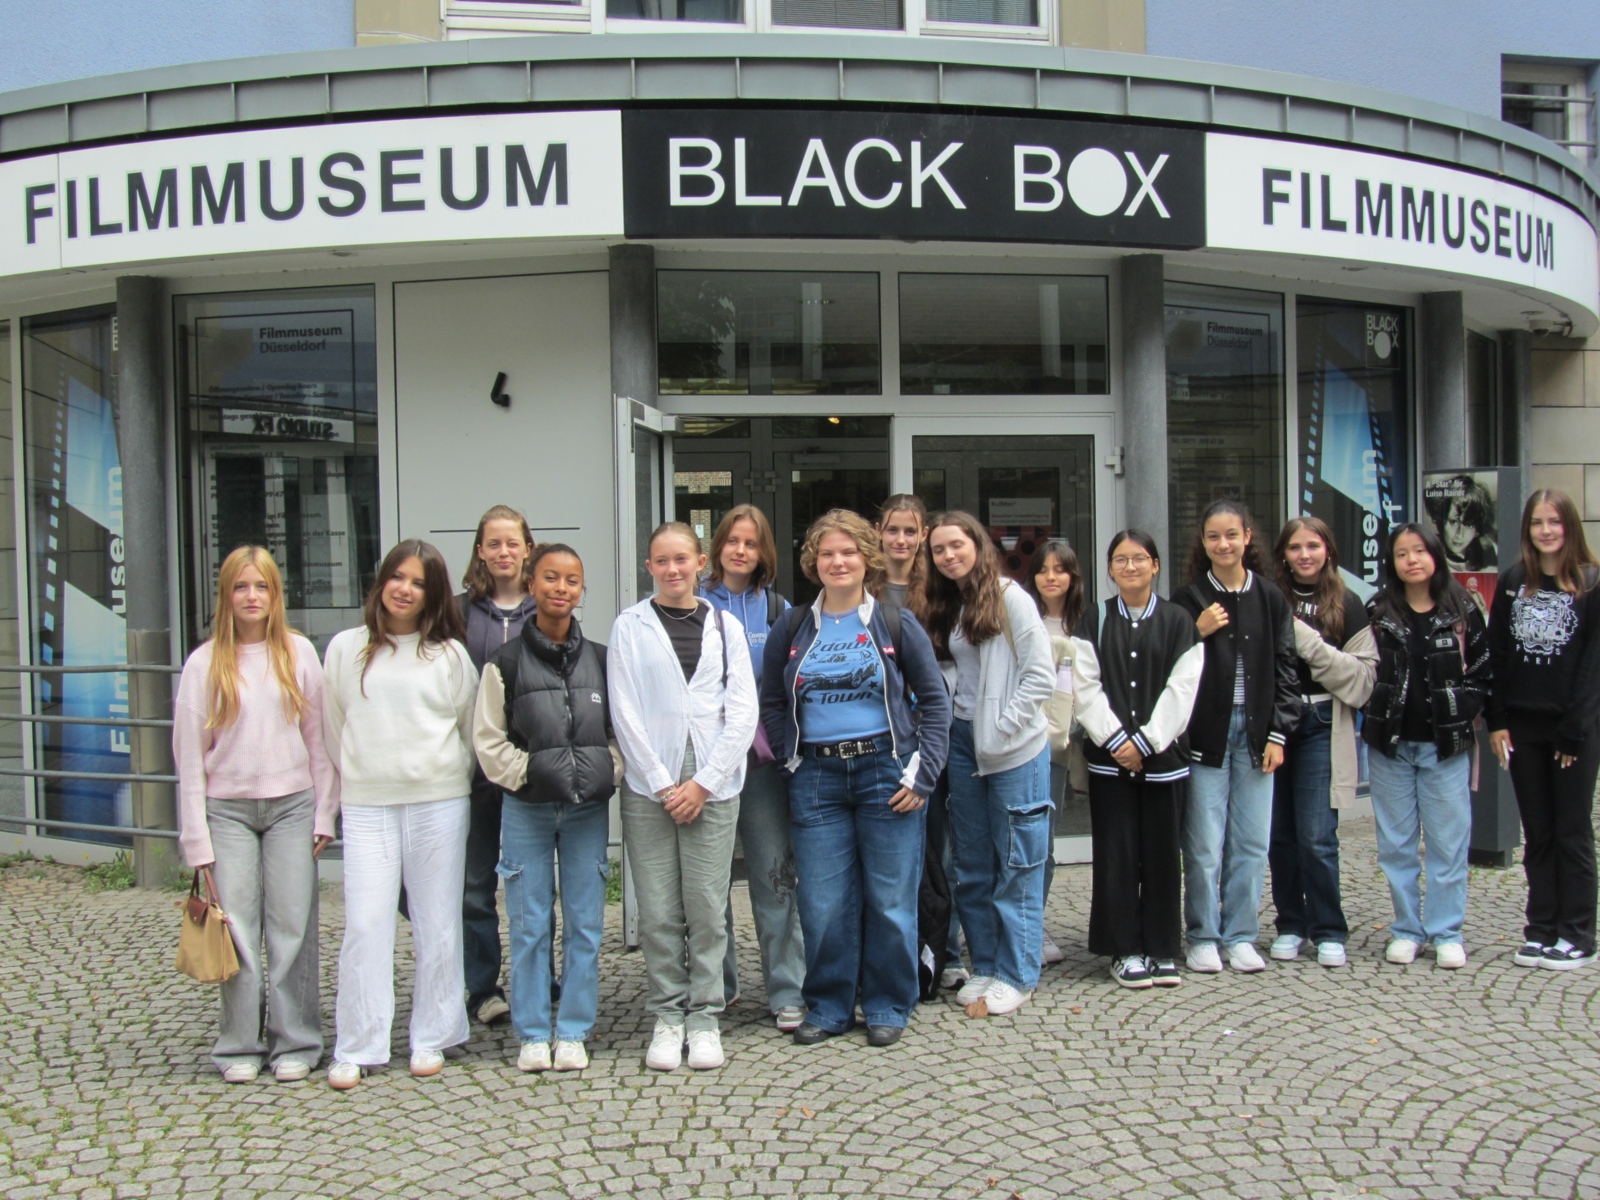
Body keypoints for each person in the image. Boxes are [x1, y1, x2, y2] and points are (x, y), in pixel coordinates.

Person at [760, 509, 950, 1047]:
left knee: (891, 898)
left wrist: (923, 773)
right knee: (822, 901)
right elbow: (772, 701)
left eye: (847, 552)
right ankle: (828, 1005)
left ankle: (889, 1001)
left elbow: (935, 701)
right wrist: (789, 759)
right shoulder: (793, 626)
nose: (837, 562)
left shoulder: (894, 622)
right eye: (827, 553)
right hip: (815, 775)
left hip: (885, 773)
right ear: (813, 562)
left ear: (866, 558)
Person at [173, 546, 338, 1084]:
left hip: (293, 806)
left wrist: (324, 813)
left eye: (261, 587)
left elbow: (320, 742)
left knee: (293, 925)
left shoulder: (297, 654)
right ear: (227, 595)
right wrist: (196, 840)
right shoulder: (203, 664)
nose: (251, 597)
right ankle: (238, 1043)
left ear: (275, 595)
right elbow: (189, 760)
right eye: (241, 587)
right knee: (237, 930)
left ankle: (297, 1040)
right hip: (228, 813)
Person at [322, 540, 478, 1089]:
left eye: (417, 582)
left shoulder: (451, 656)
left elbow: (468, 731)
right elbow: (332, 725)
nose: (404, 589)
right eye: (397, 577)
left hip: (438, 802)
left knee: (437, 923)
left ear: (432, 592)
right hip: (367, 806)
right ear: (381, 581)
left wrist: (443, 776)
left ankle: (434, 1033)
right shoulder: (346, 648)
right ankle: (359, 1042)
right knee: (365, 925)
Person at [610, 523, 759, 1072]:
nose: (672, 570)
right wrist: (662, 781)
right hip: (651, 779)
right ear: (648, 566)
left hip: (713, 779)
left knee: (706, 904)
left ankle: (705, 1015)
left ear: (700, 562)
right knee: (658, 909)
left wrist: (703, 782)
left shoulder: (725, 625)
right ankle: (668, 1014)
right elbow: (624, 710)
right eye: (660, 561)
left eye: (681, 560)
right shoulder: (630, 626)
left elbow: (743, 711)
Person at [473, 544, 614, 1071]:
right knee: (530, 923)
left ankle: (573, 1029)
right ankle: (533, 1032)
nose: (561, 589)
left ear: (581, 590)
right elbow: (488, 741)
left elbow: (618, 732)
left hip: (586, 813)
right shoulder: (504, 662)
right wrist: (530, 773)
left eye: (571, 580)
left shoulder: (601, 658)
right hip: (526, 810)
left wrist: (607, 770)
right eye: (550, 578)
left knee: (585, 923)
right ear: (532, 585)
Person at [923, 511, 1055, 1016]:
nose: (949, 555)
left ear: (977, 544)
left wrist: (1002, 728)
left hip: (1014, 750)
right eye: (939, 550)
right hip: (963, 743)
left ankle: (1019, 974)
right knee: (973, 866)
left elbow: (1039, 676)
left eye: (957, 545)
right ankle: (987, 966)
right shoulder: (951, 603)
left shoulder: (1011, 597)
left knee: (1017, 862)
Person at [1070, 530, 1203, 987]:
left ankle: (1163, 946)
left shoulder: (1178, 619)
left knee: (1164, 855)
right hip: (1110, 764)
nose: (1130, 567)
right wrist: (1116, 741)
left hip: (1164, 760)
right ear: (1109, 568)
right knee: (1117, 855)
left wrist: (1146, 742)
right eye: (1120, 560)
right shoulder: (1095, 617)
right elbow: (1085, 688)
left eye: (1139, 559)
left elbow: (1183, 688)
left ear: (1156, 565)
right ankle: (1124, 948)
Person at [1174, 500, 1300, 975]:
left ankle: (1242, 934)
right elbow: (1169, 666)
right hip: (1207, 733)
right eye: (1212, 536)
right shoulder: (1188, 600)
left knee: (1251, 841)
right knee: (1204, 844)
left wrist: (1278, 733)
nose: (1222, 544)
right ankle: (1203, 935)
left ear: (1248, 537)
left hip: (1258, 733)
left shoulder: (1270, 597)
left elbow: (1287, 670)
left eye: (1231, 535)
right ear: (1202, 543)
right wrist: (1194, 631)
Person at [1362, 522, 1490, 970]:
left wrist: (1458, 705)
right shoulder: (1378, 611)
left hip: (1445, 745)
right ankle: (1406, 929)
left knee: (1447, 842)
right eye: (1401, 553)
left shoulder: (1461, 610)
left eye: (1419, 551)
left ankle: (1446, 930)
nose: (1411, 560)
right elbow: (1362, 671)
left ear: (1435, 555)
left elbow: (1483, 673)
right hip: (1390, 746)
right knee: (1396, 845)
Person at [701, 505, 807, 1033]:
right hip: (708, 769)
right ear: (718, 546)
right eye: (732, 541)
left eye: (752, 543)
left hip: (762, 767)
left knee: (776, 878)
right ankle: (717, 990)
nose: (741, 551)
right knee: (710, 883)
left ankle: (787, 989)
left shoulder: (779, 609)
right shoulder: (692, 604)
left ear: (764, 552)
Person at [1487, 489, 1600, 971]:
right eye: (1537, 522)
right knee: (1537, 832)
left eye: (1554, 521)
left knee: (1571, 831)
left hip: (1573, 731)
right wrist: (1497, 721)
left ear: (1569, 526)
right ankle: (1541, 929)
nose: (1546, 530)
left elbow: (1594, 666)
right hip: (1522, 729)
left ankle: (1578, 933)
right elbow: (1496, 654)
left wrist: (1574, 731)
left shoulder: (1591, 583)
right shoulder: (1515, 581)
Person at [1267, 518, 1378, 968]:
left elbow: (1362, 677)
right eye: (1295, 547)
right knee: (1280, 835)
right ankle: (1291, 923)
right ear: (1283, 554)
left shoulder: (1347, 603)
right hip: (1275, 722)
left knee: (1316, 834)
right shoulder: (1271, 597)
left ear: (1328, 550)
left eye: (1313, 546)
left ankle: (1329, 928)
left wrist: (1308, 642)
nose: (1304, 555)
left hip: (1320, 720)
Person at [873, 494, 967, 989]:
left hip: (931, 732)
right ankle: (896, 952)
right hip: (883, 737)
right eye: (893, 530)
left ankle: (944, 952)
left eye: (911, 531)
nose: (902, 540)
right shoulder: (863, 584)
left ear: (924, 534)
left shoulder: (943, 589)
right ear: (879, 532)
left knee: (940, 849)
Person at [454, 504, 537, 1028]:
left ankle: (538, 979)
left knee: (533, 885)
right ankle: (483, 987)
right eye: (494, 544)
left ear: (528, 547)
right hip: (474, 772)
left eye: (513, 543)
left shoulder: (547, 604)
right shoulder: (459, 613)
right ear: (481, 551)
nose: (504, 552)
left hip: (532, 771)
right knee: (475, 883)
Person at [1024, 537, 1088, 968]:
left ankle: (1035, 921)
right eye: (1044, 569)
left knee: (1044, 839)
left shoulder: (1088, 625)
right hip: (1023, 743)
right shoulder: (1021, 620)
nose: (1051, 577)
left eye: (1060, 569)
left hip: (1065, 749)